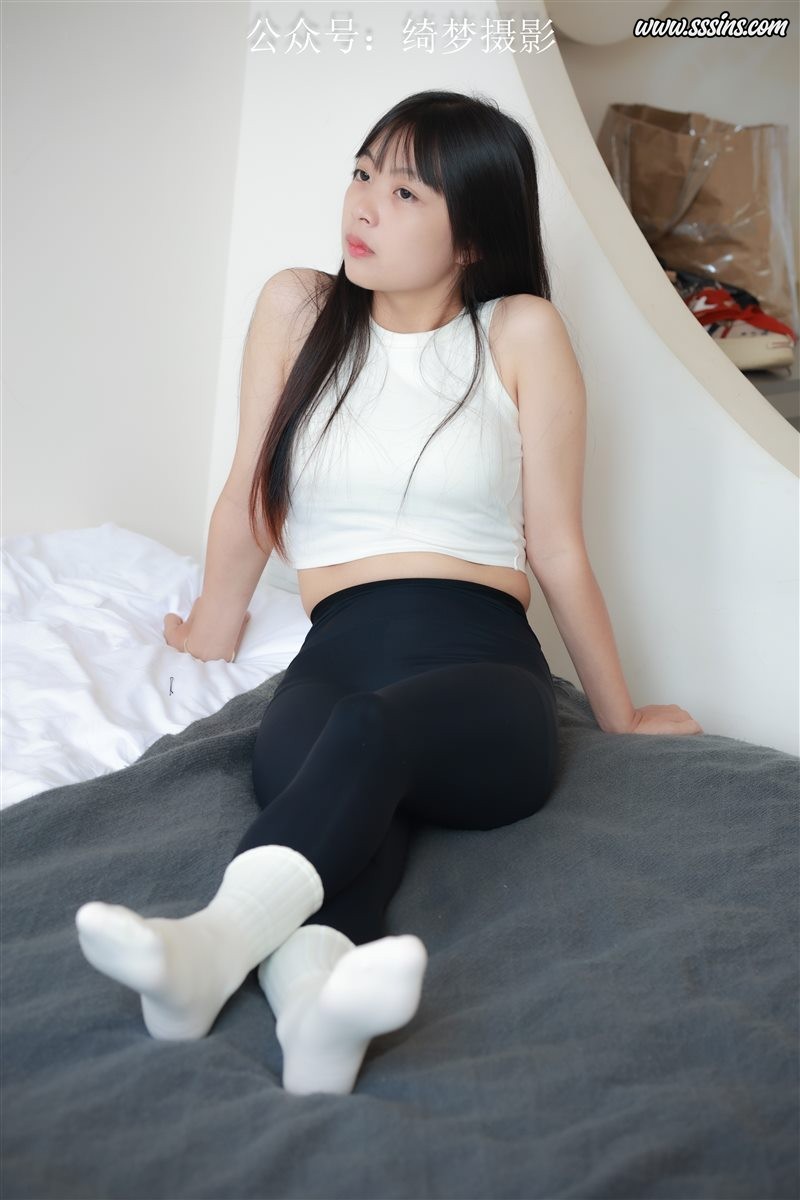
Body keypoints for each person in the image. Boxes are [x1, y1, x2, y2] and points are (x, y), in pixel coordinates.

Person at [76, 89, 703, 1099]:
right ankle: (315, 1019)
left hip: (481, 670)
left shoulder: (517, 331)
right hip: (335, 657)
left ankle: (206, 950)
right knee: (349, 786)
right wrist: (209, 632)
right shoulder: (298, 309)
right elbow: (248, 492)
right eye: (362, 173)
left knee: (368, 733)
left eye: (406, 191)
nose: (364, 203)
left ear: (472, 236)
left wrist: (620, 716)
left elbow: (556, 547)